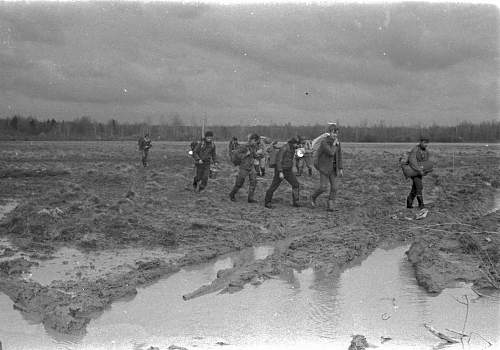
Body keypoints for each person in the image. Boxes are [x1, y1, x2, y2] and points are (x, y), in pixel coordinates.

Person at [311, 124, 343, 211]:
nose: (335, 135)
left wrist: (340, 168)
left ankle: (330, 204)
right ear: (329, 133)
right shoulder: (324, 142)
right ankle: (313, 197)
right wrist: (334, 144)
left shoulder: (337, 143)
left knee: (335, 187)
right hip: (324, 168)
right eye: (333, 133)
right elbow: (331, 152)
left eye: (336, 133)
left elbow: (339, 155)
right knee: (323, 187)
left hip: (333, 169)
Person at [264, 136, 301, 209]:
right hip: (280, 170)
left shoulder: (292, 148)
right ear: (293, 143)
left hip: (288, 170)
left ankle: (296, 202)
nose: (297, 145)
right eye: (297, 144)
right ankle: (267, 202)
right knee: (274, 186)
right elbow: (279, 160)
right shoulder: (284, 148)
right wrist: (280, 172)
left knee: (296, 184)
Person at [229, 133, 262, 203]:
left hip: (251, 167)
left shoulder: (254, 147)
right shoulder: (244, 146)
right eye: (255, 141)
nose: (256, 143)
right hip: (243, 167)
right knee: (239, 183)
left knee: (254, 182)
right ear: (252, 140)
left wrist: (259, 155)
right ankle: (232, 195)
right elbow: (236, 154)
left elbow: (253, 155)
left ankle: (250, 198)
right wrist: (245, 154)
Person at [407, 136, 431, 209]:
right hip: (414, 171)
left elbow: (425, 162)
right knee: (419, 187)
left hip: (420, 172)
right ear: (420, 142)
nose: (426, 144)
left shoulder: (426, 151)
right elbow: (412, 162)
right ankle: (421, 204)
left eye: (427, 143)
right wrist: (419, 170)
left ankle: (409, 202)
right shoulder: (415, 150)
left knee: (415, 188)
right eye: (424, 142)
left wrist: (426, 169)